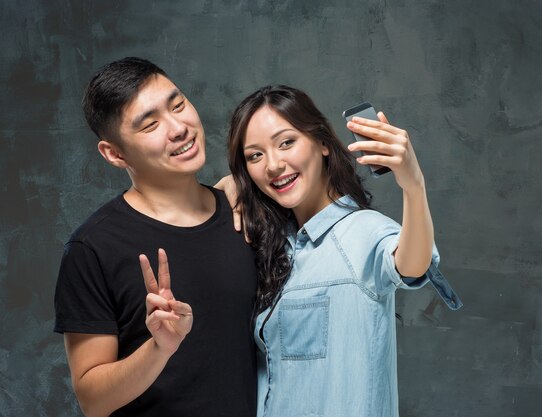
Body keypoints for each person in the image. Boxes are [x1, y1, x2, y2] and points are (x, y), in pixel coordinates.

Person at [227, 85, 462, 417]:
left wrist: (413, 183)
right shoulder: (274, 249)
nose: (274, 165)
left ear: (322, 143)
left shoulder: (361, 231)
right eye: (255, 155)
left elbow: (412, 263)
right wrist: (229, 184)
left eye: (286, 142)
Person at [54, 57, 257, 417]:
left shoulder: (243, 213)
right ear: (114, 153)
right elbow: (92, 399)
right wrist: (159, 349)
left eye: (178, 105)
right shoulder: (93, 248)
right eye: (150, 125)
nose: (179, 128)